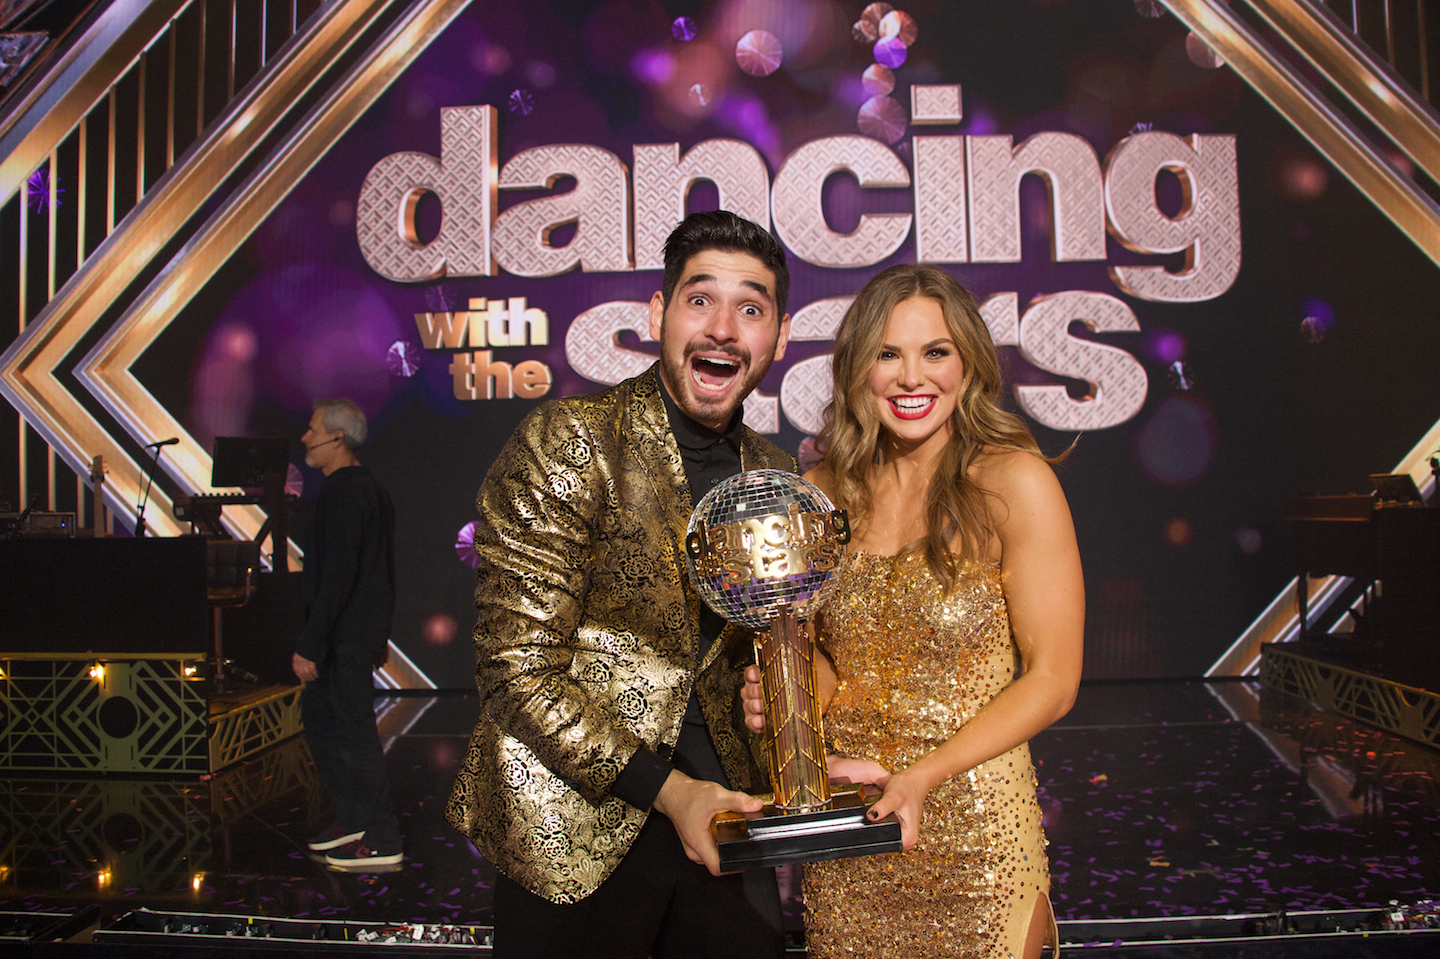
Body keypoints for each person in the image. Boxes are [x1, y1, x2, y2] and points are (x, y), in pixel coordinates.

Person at [446, 211, 796, 958]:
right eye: (700, 299)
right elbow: (515, 671)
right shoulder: (570, 440)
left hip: (728, 828)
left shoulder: (777, 474)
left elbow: (768, 654)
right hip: (575, 833)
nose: (723, 328)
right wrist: (672, 791)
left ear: (779, 337)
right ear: (658, 314)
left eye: (752, 308)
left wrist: (789, 718)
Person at [744, 264, 1084, 958]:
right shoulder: (820, 492)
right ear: (858, 368)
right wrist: (788, 696)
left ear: (968, 364)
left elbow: (1053, 678)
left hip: (978, 838)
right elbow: (836, 662)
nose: (911, 377)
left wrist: (924, 775)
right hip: (853, 839)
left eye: (936, 352)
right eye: (887, 353)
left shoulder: (1016, 482)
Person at [292, 398, 402, 869]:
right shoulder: (371, 489)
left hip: (341, 636)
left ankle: (381, 837)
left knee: (352, 732)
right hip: (355, 633)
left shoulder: (343, 492)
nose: (305, 438)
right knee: (325, 720)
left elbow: (337, 577)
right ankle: (355, 817)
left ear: (337, 437)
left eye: (312, 429)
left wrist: (309, 644)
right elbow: (380, 573)